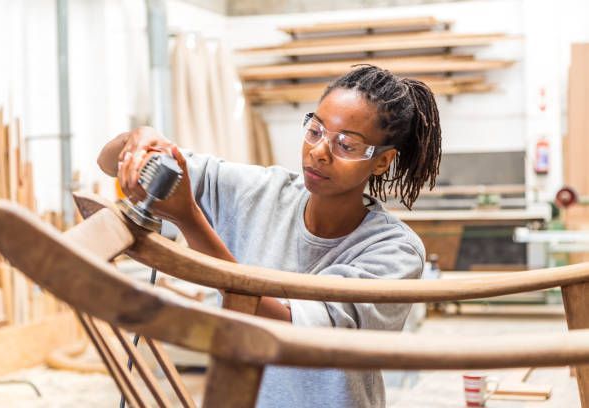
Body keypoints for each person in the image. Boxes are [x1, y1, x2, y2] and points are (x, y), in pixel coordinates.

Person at [97, 64, 441, 408]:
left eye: (346, 145)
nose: (320, 151)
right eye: (315, 130)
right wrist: (141, 141)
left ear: (382, 162)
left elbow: (290, 332)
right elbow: (108, 161)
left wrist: (188, 218)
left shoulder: (394, 250)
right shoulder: (259, 192)